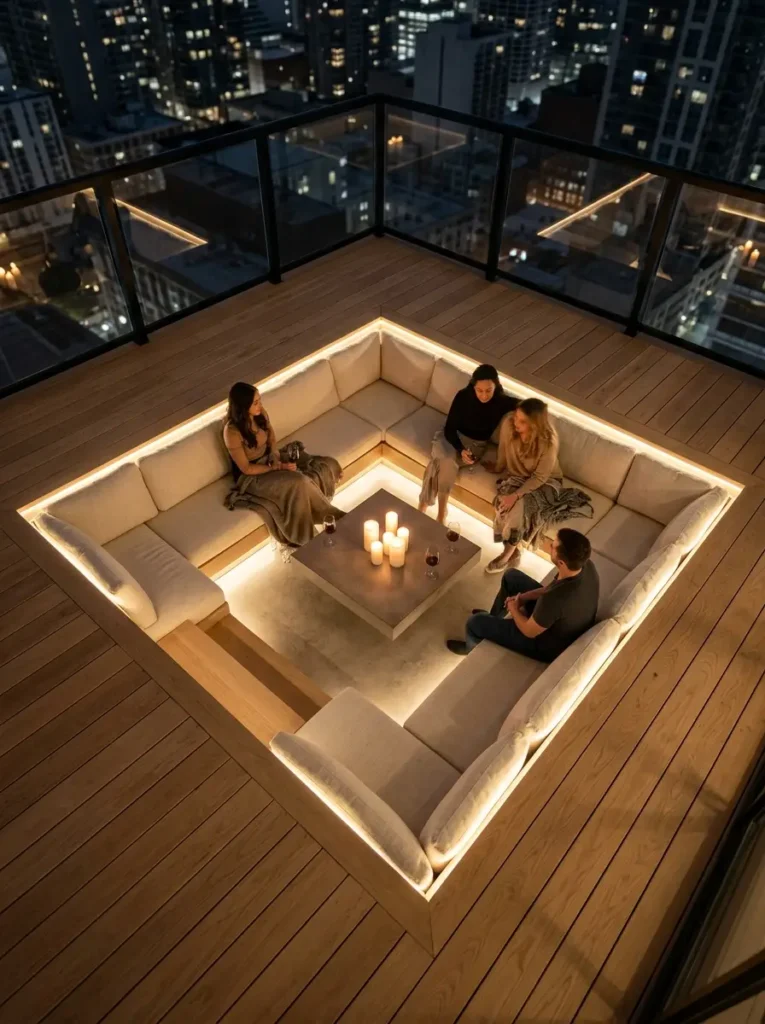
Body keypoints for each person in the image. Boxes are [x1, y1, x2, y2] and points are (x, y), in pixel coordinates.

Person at [447, 528, 599, 661]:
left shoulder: (555, 599)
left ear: (561, 563)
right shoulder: (584, 566)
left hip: (546, 644)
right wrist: (522, 598)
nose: (550, 545)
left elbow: (529, 631)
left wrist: (513, 608)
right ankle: (494, 618)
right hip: (559, 621)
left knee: (475, 622)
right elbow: (550, 588)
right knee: (511, 577)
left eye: (553, 546)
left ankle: (470, 648)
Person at [223, 381, 344, 548]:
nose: (260, 405)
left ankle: (331, 519)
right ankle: (316, 533)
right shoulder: (231, 432)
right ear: (243, 407)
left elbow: (272, 437)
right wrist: (278, 467)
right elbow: (246, 468)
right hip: (253, 476)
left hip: (270, 459)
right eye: (255, 403)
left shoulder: (259, 414)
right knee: (299, 481)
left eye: (260, 400)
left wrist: (274, 455)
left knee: (324, 464)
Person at [486, 396, 591, 574]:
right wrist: (497, 467)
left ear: (535, 425)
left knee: (518, 508)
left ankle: (506, 556)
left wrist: (515, 495)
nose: (516, 422)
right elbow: (503, 449)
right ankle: (514, 551)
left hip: (545, 482)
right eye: (516, 417)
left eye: (522, 421)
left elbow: (539, 477)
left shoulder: (549, 442)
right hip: (517, 477)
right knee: (503, 504)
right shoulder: (508, 424)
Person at [418, 364, 518, 524]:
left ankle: (423, 508)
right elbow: (449, 428)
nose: (484, 395)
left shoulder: (502, 401)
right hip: (450, 438)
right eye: (479, 390)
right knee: (446, 460)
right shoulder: (463, 396)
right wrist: (460, 449)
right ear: (473, 386)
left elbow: (529, 406)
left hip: (475, 446)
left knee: (441, 462)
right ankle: (441, 514)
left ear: (496, 386)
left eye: (488, 390)